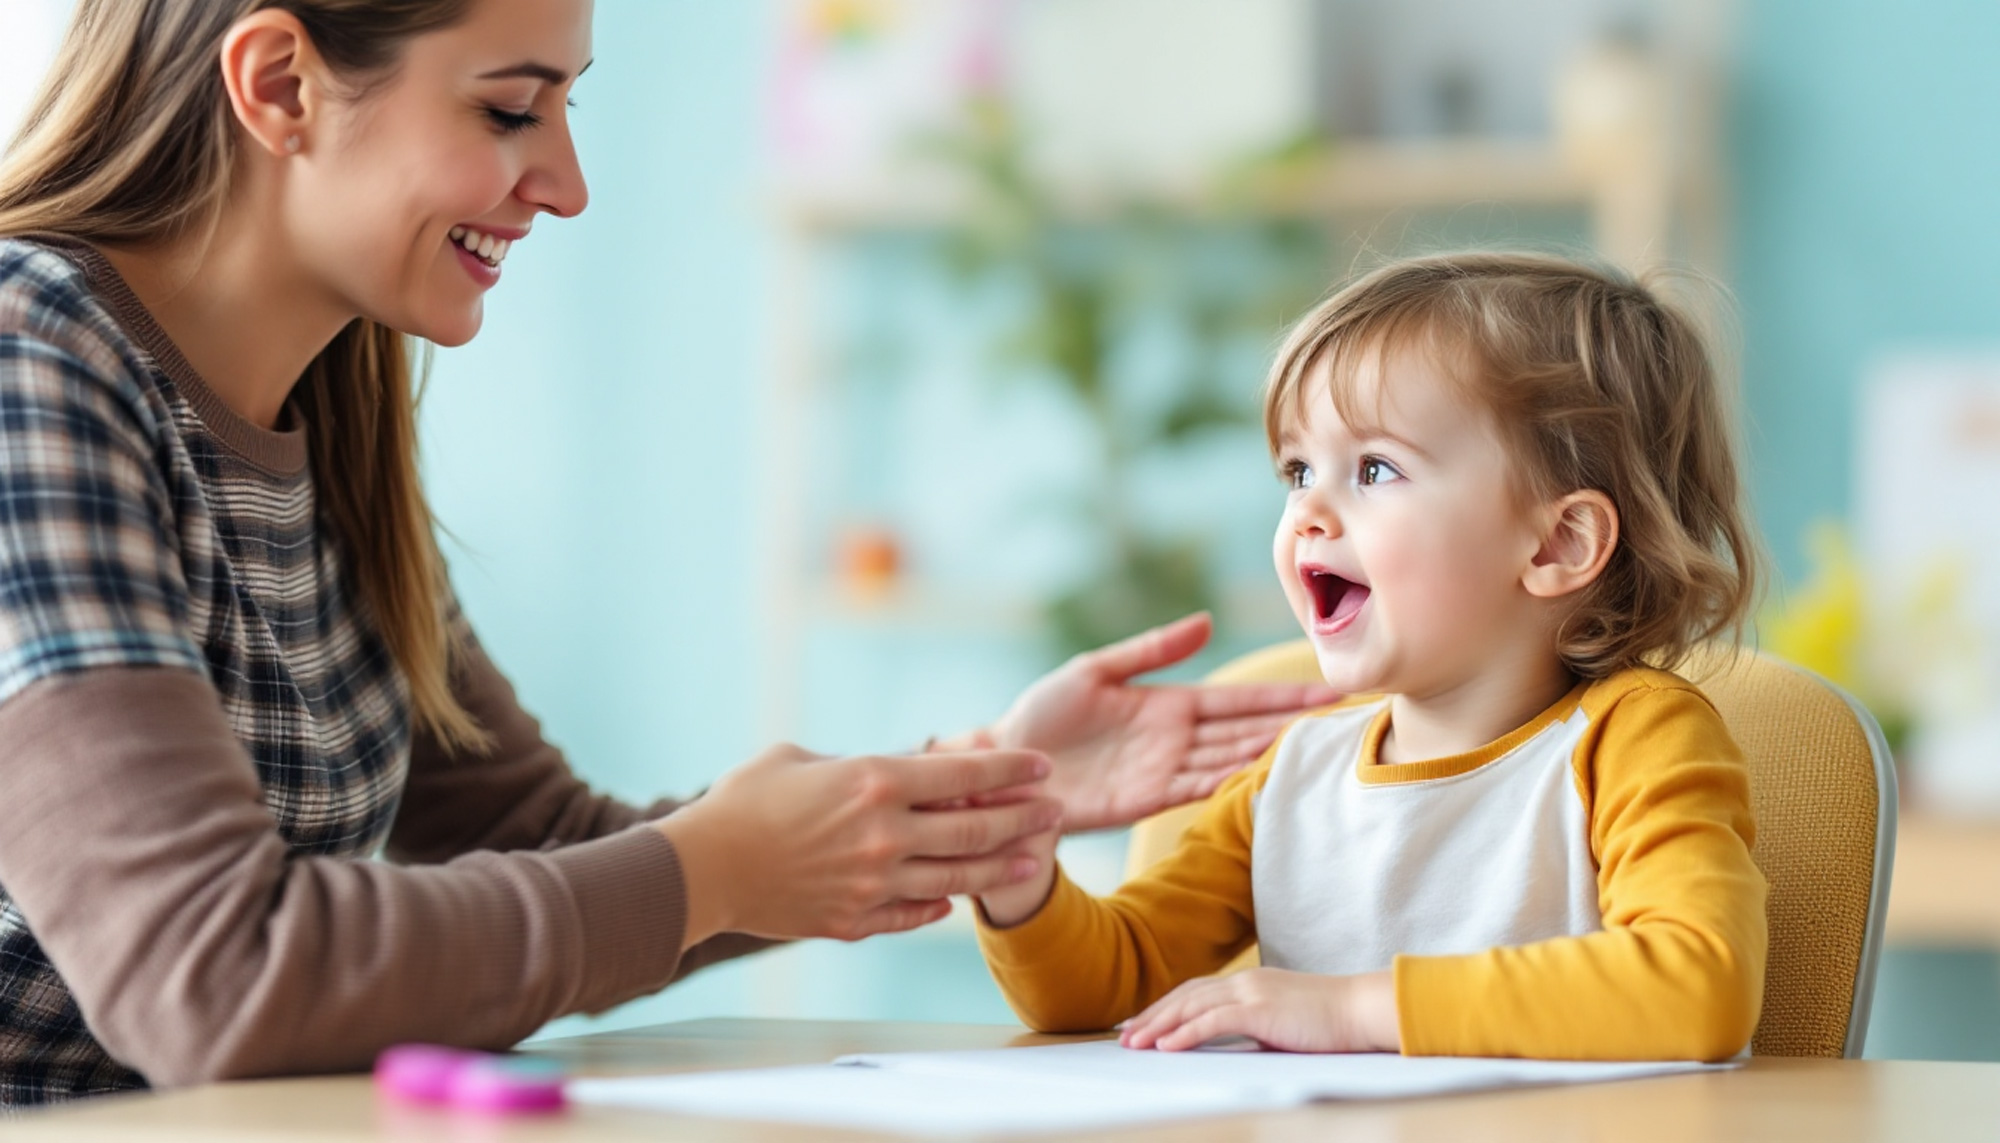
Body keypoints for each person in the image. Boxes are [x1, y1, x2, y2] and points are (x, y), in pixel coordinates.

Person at [0, 0, 1337, 1106]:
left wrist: (960, 788)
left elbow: (544, 840)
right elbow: (213, 976)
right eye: (511, 108)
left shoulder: (325, 412)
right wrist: (714, 867)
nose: (569, 185)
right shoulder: (30, 365)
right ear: (282, 83)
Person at [974, 253, 1770, 1062]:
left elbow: (1701, 983)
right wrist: (1017, 876)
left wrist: (1354, 1008)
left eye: (1375, 468)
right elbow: (1108, 982)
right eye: (1298, 470)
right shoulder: (1292, 773)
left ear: (1559, 542)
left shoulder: (1634, 740)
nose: (1309, 511)